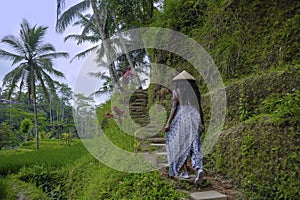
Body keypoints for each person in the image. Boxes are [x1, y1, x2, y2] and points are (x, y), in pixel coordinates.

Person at [165, 70, 205, 184]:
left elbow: (174, 108)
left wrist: (168, 123)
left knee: (181, 144)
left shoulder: (176, 91)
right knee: (195, 143)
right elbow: (199, 108)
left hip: (183, 117)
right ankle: (198, 168)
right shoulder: (195, 91)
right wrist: (202, 123)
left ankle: (186, 171)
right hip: (195, 117)